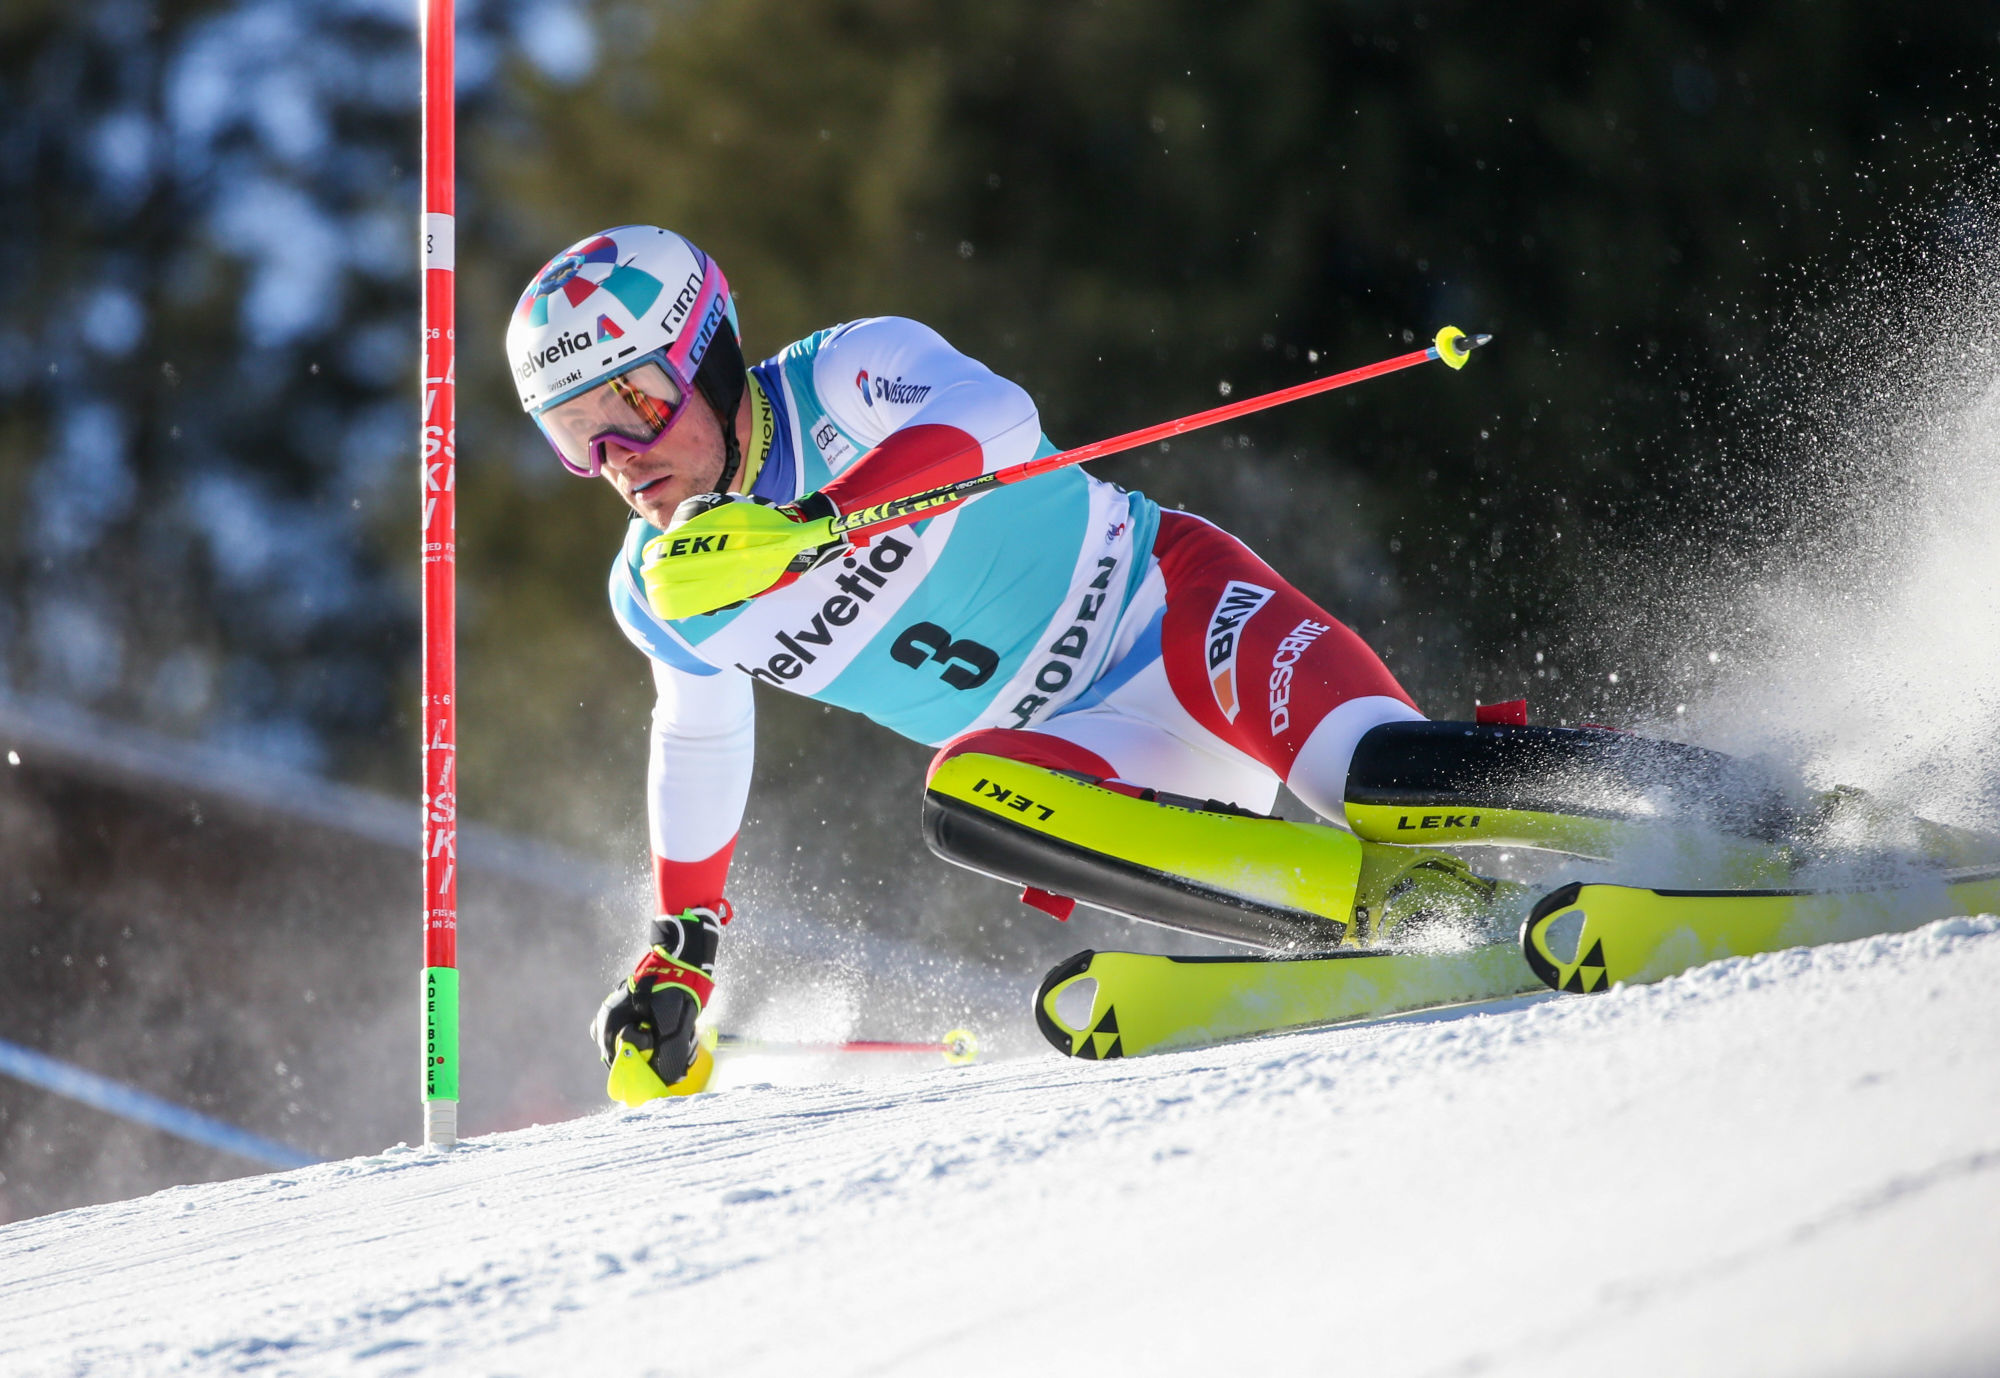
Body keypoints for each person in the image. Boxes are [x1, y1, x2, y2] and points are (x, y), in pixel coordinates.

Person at [506, 226, 1535, 1103]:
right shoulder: (657, 589)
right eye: (573, 434)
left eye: (632, 402)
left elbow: (993, 418)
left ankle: (1659, 805)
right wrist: (682, 945)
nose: (617, 460)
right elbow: (698, 730)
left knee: (1382, 775)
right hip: (1102, 755)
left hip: (1176, 615)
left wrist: (813, 523)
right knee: (968, 795)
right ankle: (1405, 913)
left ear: (710, 356)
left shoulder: (841, 376)